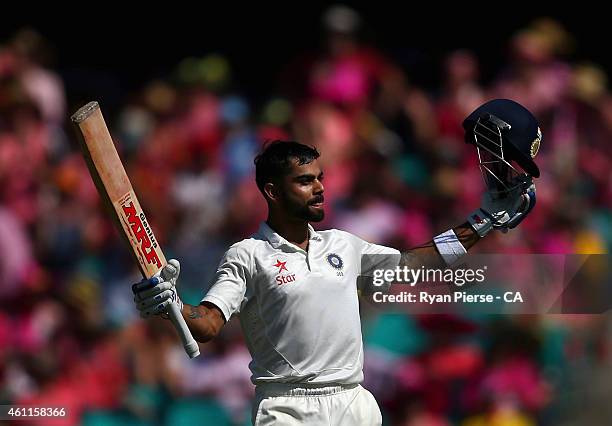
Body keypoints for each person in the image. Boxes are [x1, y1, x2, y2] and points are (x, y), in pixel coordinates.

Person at [132, 99, 540, 425]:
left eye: (321, 178)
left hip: (353, 405)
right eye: (305, 181)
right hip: (287, 409)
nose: (320, 188)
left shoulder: (344, 245)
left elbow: (415, 264)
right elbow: (206, 325)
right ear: (272, 192)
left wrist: (481, 224)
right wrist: (175, 308)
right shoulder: (247, 256)